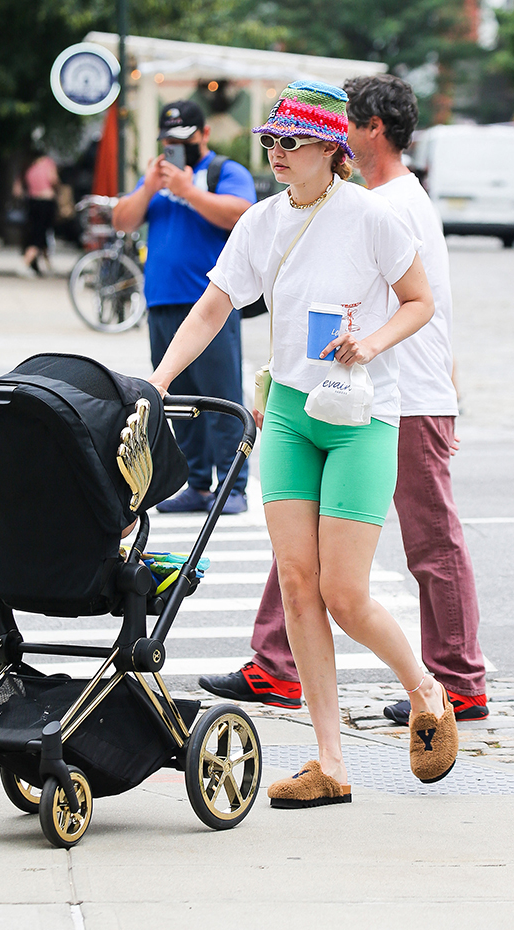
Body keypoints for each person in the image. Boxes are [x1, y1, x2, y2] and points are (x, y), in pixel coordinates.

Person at [149, 79, 459, 806]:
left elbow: (420, 302)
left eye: (291, 141)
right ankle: (331, 762)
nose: (277, 152)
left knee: (344, 592)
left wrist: (370, 341)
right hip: (288, 411)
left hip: (362, 415)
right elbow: (212, 306)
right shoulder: (258, 222)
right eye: (272, 140)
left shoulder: (374, 218)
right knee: (295, 582)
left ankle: (425, 690)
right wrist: (157, 380)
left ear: (332, 147)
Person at [199, 74, 488, 726]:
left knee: (429, 545)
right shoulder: (355, 202)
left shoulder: (388, 206)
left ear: (369, 130)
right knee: (302, 550)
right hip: (345, 393)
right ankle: (276, 662)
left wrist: (443, 395)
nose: (339, 136)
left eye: (344, 124)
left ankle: (458, 680)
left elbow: (426, 305)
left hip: (396, 396)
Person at [112, 100, 256, 514]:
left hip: (210, 304)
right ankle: (196, 482)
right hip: (162, 303)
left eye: (184, 139)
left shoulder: (223, 172)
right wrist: (149, 187)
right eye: (168, 141)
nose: (175, 147)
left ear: (204, 135)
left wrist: (189, 192)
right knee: (175, 398)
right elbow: (122, 219)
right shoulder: (158, 181)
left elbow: (242, 214)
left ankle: (233, 487)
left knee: (220, 396)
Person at [13, 150, 59, 277]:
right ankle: (25, 263)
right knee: (39, 235)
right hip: (46, 201)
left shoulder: (27, 165)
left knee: (39, 234)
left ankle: (47, 265)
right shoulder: (48, 163)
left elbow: (16, 189)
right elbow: (53, 179)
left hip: (32, 202)